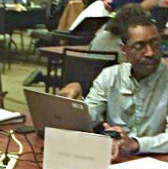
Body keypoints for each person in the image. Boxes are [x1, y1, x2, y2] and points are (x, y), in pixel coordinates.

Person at [58, 15, 168, 154]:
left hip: (158, 161)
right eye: (139, 47)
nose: (150, 53)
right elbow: (90, 118)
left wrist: (136, 144)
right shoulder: (110, 76)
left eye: (156, 44)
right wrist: (74, 104)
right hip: (114, 155)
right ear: (124, 50)